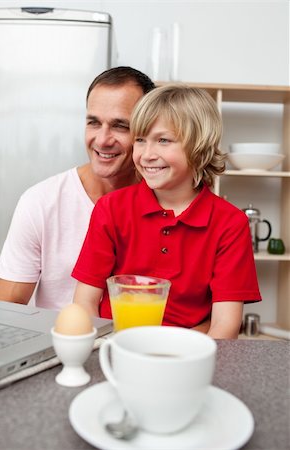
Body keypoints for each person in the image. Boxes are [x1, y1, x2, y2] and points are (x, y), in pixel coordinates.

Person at [72, 84, 262, 339]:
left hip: (185, 355)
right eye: (140, 140)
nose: (147, 154)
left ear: (198, 145)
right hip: (113, 346)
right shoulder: (111, 209)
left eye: (163, 140)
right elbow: (84, 303)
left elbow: (225, 327)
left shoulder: (230, 223)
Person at [0, 67, 155, 309]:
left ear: (148, 129)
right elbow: (8, 309)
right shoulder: (40, 202)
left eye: (120, 126)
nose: (102, 140)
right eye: (94, 122)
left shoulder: (167, 202)